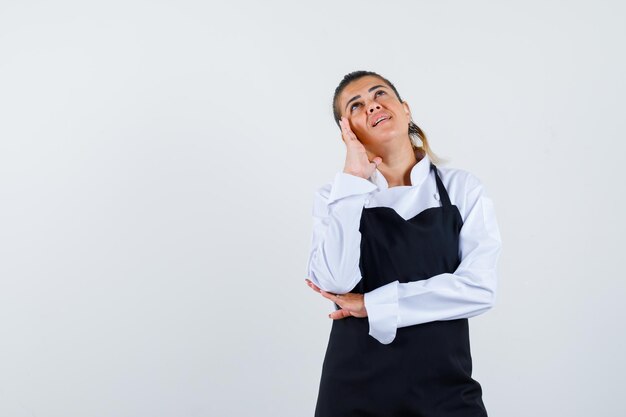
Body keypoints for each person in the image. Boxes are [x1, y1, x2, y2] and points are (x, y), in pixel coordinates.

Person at [305, 70, 503, 416]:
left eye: (379, 94)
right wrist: (353, 181)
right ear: (346, 132)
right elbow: (335, 281)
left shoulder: (461, 189)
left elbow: (479, 289)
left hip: (446, 390)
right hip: (353, 391)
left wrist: (374, 305)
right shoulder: (336, 197)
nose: (372, 105)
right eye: (356, 105)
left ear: (405, 108)